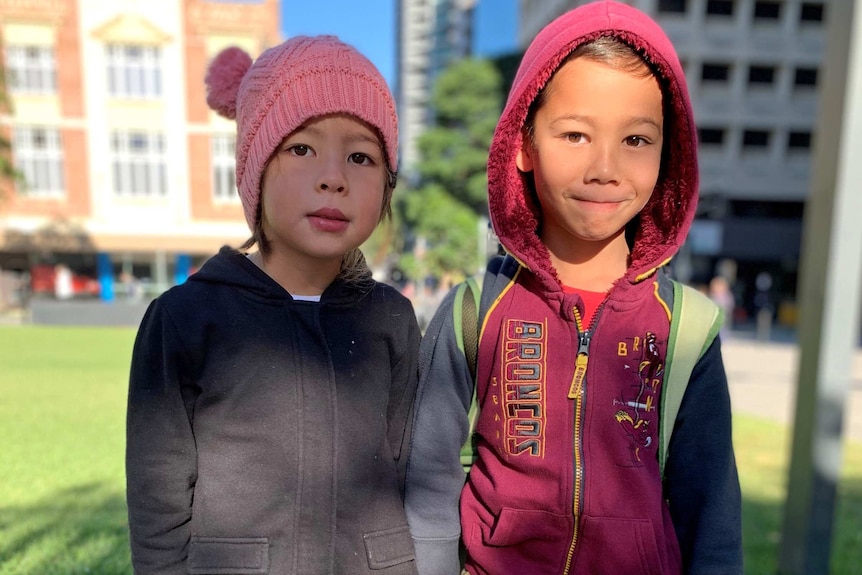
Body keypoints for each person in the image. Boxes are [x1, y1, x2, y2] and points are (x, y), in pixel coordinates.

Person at [404, 2, 742, 574]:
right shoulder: (473, 310)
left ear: (669, 155)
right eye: (576, 134)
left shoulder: (687, 328)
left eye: (636, 140)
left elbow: (710, 512)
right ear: (524, 145)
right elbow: (427, 479)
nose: (605, 167)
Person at [126, 36, 420, 575]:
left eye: (361, 156)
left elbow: (402, 463)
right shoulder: (183, 318)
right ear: (254, 169)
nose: (334, 176)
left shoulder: (392, 318)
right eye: (301, 148)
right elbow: (157, 492)